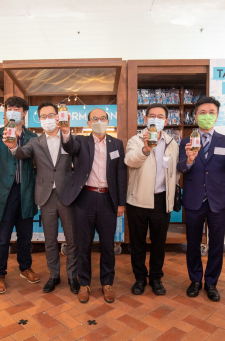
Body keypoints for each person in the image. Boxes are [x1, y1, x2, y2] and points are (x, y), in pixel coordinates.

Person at [3, 101, 79, 294]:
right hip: (46, 197)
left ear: (58, 116)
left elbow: (77, 152)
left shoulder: (69, 137)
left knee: (71, 240)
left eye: (50, 115)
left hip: (67, 195)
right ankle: (54, 275)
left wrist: (67, 130)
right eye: (42, 117)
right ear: (38, 119)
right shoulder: (35, 141)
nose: (47, 120)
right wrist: (12, 147)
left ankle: (72, 276)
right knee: (50, 240)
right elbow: (22, 153)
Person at [177, 97, 225, 302]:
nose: (207, 115)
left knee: (217, 244)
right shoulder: (185, 141)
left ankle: (212, 282)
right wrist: (188, 160)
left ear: (217, 115)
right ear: (195, 116)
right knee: (193, 243)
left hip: (219, 201)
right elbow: (180, 168)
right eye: (203, 112)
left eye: (211, 112)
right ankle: (195, 280)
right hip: (194, 200)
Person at [60, 108, 127, 304]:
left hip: (108, 200)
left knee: (108, 245)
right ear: (88, 123)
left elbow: (121, 174)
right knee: (84, 245)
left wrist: (121, 203)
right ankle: (84, 283)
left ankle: (107, 283)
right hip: (85, 199)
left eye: (103, 118)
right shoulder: (81, 141)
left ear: (108, 121)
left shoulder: (117, 144)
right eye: (95, 119)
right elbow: (70, 145)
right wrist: (66, 130)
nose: (99, 121)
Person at [0, 96, 39, 294]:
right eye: (9, 108)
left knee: (25, 236)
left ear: (24, 113)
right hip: (4, 194)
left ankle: (25, 267)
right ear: (5, 112)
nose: (12, 111)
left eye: (17, 108)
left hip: (26, 192)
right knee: (2, 237)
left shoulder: (33, 137)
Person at [124, 103, 179, 296]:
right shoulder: (136, 140)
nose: (156, 119)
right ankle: (140, 278)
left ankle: (156, 278)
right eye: (152, 116)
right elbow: (130, 161)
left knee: (158, 243)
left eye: (160, 116)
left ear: (166, 121)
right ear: (145, 120)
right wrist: (146, 149)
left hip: (162, 201)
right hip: (137, 201)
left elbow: (175, 172)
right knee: (137, 243)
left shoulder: (173, 143)